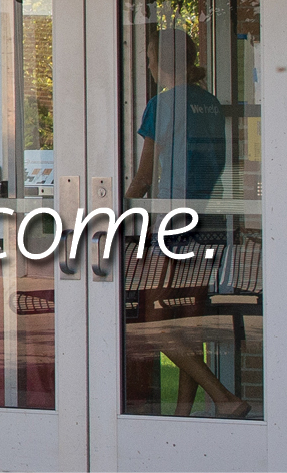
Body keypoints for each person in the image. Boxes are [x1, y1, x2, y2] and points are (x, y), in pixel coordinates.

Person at [122, 28, 249, 418]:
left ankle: (224, 398)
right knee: (188, 323)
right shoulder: (209, 102)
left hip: (174, 224)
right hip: (209, 219)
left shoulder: (162, 105)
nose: (146, 64)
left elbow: (143, 180)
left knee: (153, 320)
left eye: (148, 56)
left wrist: (112, 206)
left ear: (161, 60)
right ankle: (183, 421)